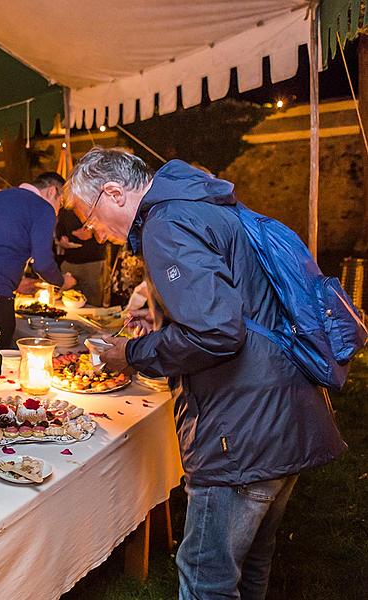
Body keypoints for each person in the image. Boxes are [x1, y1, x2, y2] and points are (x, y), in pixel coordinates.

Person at [68, 147, 346, 600]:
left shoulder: (166, 224)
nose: (94, 232)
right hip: (283, 411)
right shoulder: (200, 203)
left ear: (114, 193)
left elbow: (217, 332)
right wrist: (165, 323)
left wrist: (132, 353)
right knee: (252, 559)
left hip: (242, 430)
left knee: (205, 578)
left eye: (91, 216)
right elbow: (232, 304)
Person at [0, 173, 76, 348]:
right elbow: (43, 263)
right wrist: (62, 282)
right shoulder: (42, 208)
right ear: (52, 191)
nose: (58, 210)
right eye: (60, 202)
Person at [54, 207, 107, 305]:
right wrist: (61, 238)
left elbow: (108, 224)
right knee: (64, 301)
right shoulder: (66, 204)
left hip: (92, 262)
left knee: (92, 302)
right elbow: (60, 225)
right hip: (69, 260)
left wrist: (92, 231)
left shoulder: (97, 200)